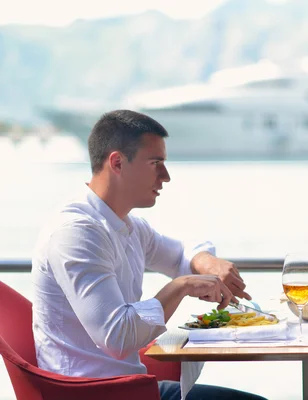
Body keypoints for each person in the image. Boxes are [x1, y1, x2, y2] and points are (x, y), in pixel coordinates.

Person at [31, 110, 266, 400]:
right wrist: (181, 286)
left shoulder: (127, 226)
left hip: (132, 387)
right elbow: (117, 337)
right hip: (92, 394)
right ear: (117, 162)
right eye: (156, 163)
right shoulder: (77, 233)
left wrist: (207, 262)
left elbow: (180, 253)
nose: (166, 177)